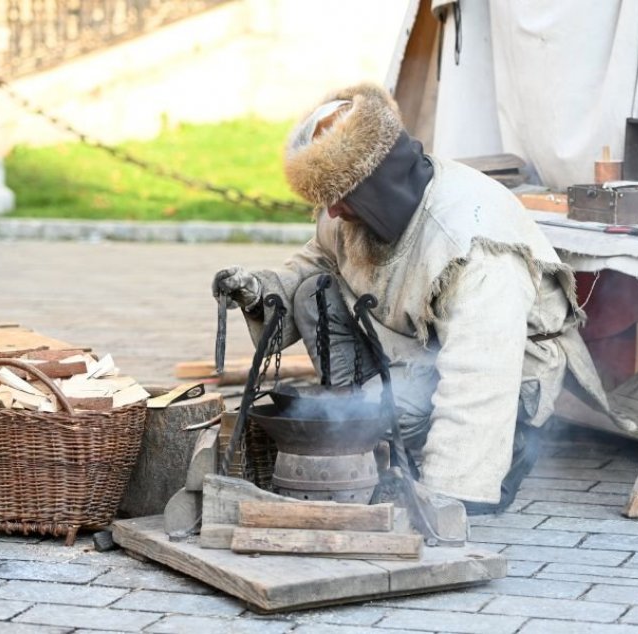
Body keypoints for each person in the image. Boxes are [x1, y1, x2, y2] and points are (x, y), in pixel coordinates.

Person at [213, 82, 616, 513]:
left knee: (386, 414)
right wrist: (260, 292)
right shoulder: (362, 208)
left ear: (377, 185)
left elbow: (479, 374)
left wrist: (448, 493)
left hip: (507, 371)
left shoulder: (473, 247)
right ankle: (366, 434)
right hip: (414, 349)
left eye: (339, 198)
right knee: (315, 294)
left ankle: (503, 449)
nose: (331, 213)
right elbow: (315, 265)